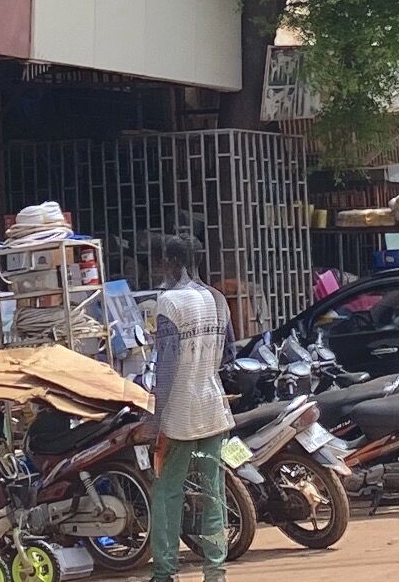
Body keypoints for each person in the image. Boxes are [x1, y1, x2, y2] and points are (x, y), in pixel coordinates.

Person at [147, 233, 232, 582]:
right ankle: (216, 572)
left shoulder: (169, 302)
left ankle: (165, 573)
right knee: (214, 494)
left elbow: (166, 369)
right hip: (213, 407)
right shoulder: (217, 299)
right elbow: (227, 355)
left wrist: (155, 423)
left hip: (180, 413)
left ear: (171, 263)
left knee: (167, 492)